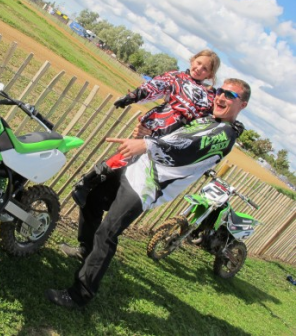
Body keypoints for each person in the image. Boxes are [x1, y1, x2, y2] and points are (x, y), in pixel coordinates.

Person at [46, 78, 251, 308]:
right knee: (92, 199)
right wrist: (147, 132)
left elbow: (188, 146)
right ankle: (86, 250)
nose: (222, 97)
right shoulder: (207, 119)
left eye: (230, 95)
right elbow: (172, 130)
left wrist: (147, 145)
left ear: (242, 105)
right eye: (221, 91)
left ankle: (80, 294)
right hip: (137, 167)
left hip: (149, 185)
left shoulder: (224, 134)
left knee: (108, 232)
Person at [72, 50, 221, 208]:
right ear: (193, 60)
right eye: (198, 63)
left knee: (142, 169)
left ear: (210, 75)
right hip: (158, 124)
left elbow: (212, 118)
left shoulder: (210, 95)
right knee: (128, 157)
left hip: (175, 137)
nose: (199, 68)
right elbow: (154, 86)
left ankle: (108, 197)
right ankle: (86, 183)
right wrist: (132, 97)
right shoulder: (176, 77)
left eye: (205, 68)